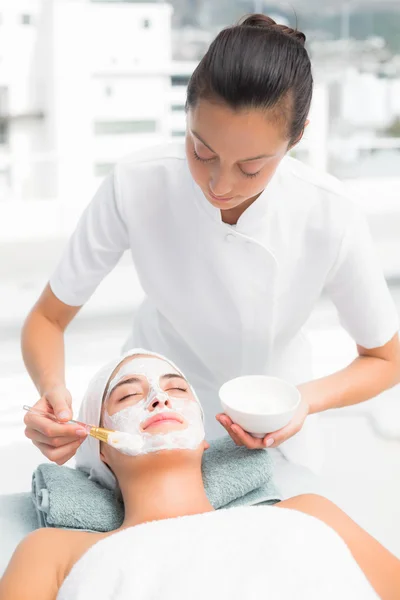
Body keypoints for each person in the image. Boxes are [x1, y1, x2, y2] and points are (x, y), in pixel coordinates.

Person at [22, 14, 400, 494]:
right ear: (187, 114)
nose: (220, 185)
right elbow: (47, 320)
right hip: (146, 429)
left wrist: (303, 401)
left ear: (298, 137)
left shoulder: (329, 215)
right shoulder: (137, 184)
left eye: (251, 167)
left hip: (271, 427)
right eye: (201, 152)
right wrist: (53, 395)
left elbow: (387, 359)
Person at [2, 350, 399, 599]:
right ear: (101, 448)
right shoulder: (51, 552)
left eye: (177, 390)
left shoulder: (310, 514)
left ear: (204, 437)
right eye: (127, 395)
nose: (159, 397)